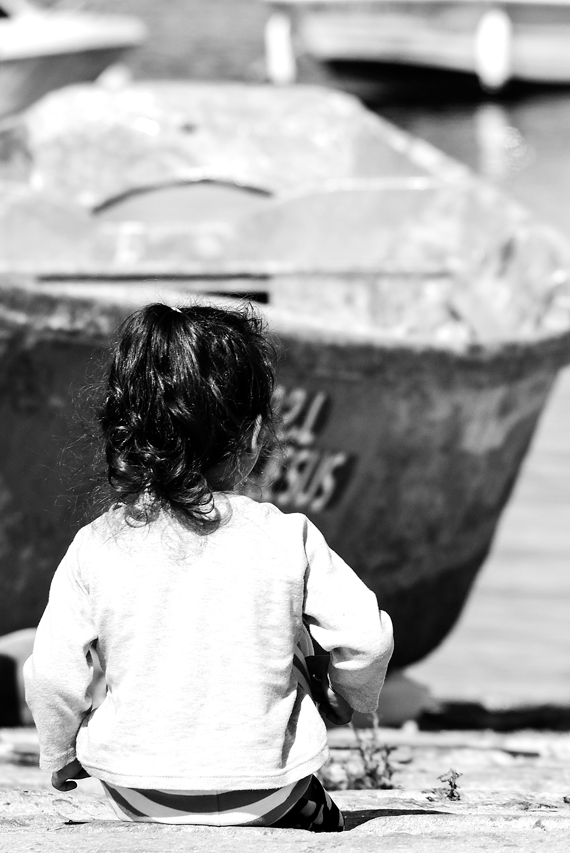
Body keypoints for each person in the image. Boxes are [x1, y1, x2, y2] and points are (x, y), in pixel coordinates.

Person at [24, 303, 393, 830]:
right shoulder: (288, 535)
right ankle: (309, 808)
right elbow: (368, 641)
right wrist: (347, 696)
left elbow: (53, 675)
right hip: (270, 793)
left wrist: (59, 755)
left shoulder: (97, 543)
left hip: (136, 792)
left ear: (131, 432)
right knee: (293, 660)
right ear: (253, 435)